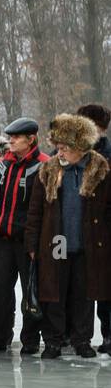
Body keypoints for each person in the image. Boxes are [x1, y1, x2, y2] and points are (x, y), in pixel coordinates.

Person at [25, 113, 110, 359]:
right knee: (55, 293)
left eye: (65, 149)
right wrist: (32, 243)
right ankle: (53, 340)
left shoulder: (100, 170)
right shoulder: (49, 170)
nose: (59, 153)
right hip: (57, 242)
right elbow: (35, 211)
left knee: (84, 296)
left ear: (81, 147)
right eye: (58, 148)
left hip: (88, 244)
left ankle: (82, 340)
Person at [0, 117, 47, 353]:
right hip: (1, 239)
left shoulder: (43, 165)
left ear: (31, 139)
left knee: (30, 292)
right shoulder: (4, 165)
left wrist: (37, 240)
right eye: (10, 137)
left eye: (16, 138)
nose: (11, 141)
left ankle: (30, 339)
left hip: (28, 241)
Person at [74, 103, 111, 352]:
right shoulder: (71, 153)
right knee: (78, 287)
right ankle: (75, 333)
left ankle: (108, 334)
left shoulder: (107, 156)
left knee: (106, 287)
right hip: (77, 228)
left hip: (103, 230)